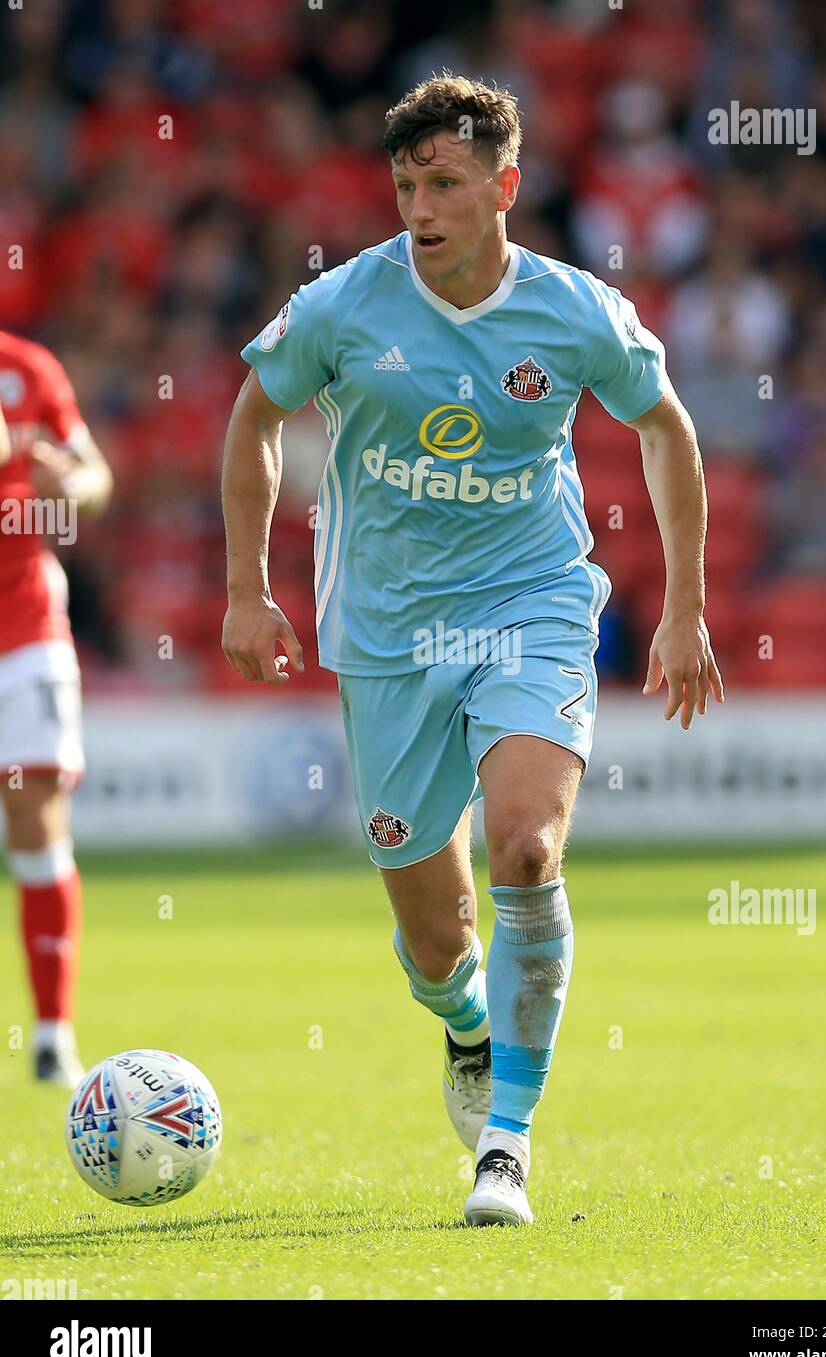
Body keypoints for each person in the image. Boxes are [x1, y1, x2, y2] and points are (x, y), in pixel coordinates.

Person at [221, 75, 723, 1226]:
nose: (420, 205)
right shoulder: (345, 306)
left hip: (530, 602)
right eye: (404, 184)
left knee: (526, 848)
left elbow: (665, 426)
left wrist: (685, 606)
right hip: (386, 630)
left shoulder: (574, 310)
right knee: (434, 933)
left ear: (504, 186)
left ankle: (505, 1146)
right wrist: (246, 590)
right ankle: (464, 1027)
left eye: (443, 182)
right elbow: (255, 415)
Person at [0, 331, 112, 1085]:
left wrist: (66, 484)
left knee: (37, 821)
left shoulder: (30, 367)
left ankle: (50, 1034)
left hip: (25, 627)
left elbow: (96, 480)